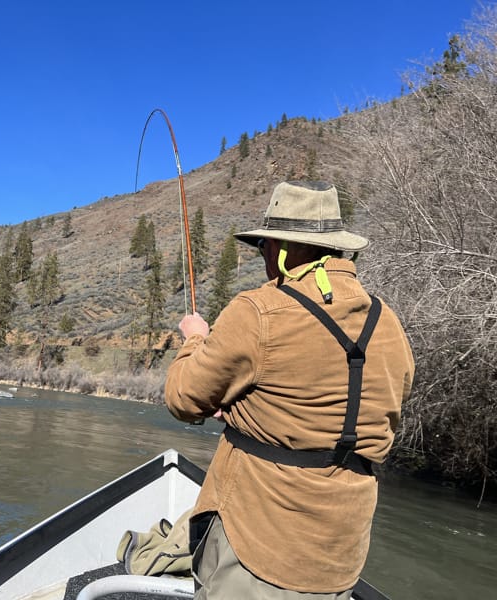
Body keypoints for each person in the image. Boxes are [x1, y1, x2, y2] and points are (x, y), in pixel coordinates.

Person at [165, 180, 414, 599]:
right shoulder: (387, 320)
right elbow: (361, 406)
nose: (263, 256)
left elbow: (182, 399)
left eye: (264, 246)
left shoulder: (258, 311)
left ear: (285, 250)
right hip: (340, 553)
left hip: (260, 544)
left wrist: (195, 337)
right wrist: (256, 408)